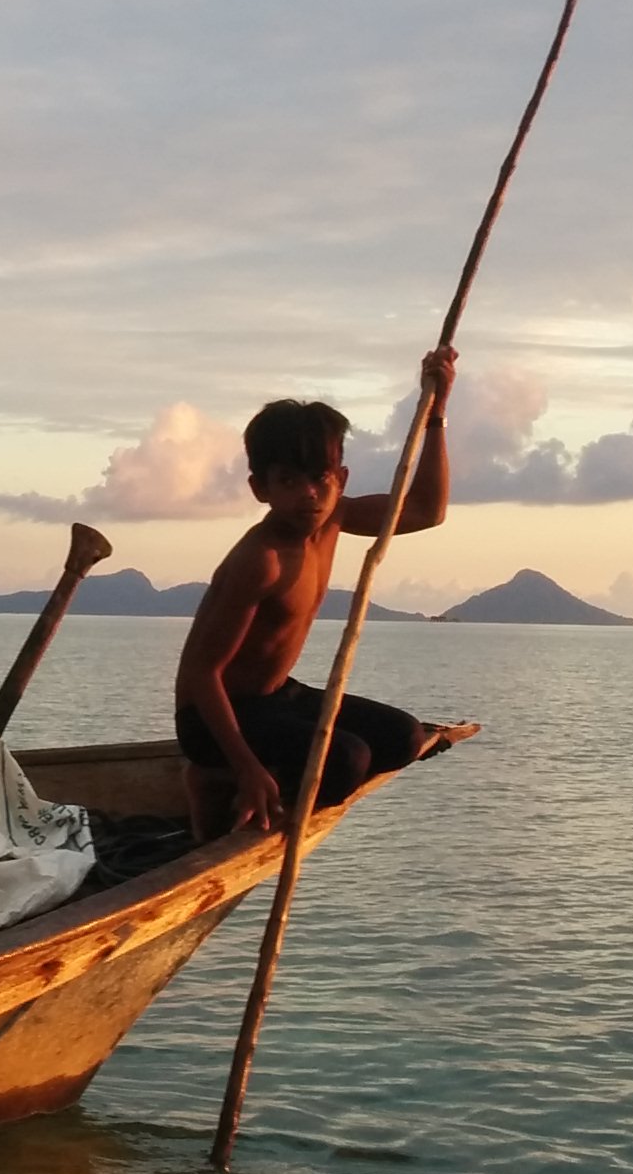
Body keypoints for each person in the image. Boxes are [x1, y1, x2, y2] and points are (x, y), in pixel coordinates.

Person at [174, 349, 480, 838]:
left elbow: (426, 510)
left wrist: (437, 411)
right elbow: (202, 674)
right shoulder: (262, 559)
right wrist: (247, 765)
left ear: (340, 480)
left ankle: (266, 774)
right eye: (289, 482)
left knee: (404, 737)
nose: (308, 495)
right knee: (346, 760)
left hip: (278, 696)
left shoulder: (337, 518)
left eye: (319, 479)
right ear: (260, 488)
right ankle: (214, 779)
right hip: (213, 719)